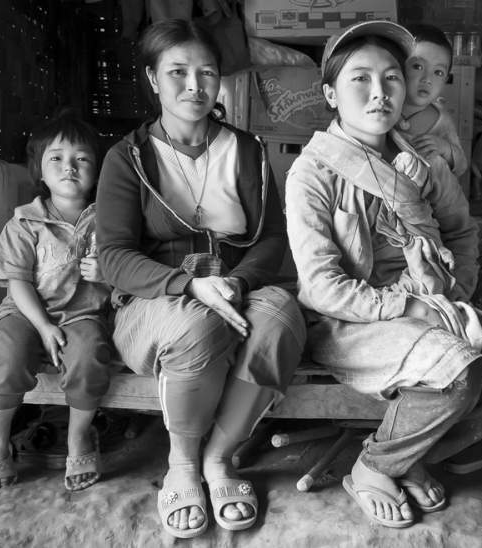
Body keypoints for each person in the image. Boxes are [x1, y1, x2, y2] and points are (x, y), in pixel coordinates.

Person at [284, 21, 482, 529]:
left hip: (435, 305)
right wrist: (409, 305)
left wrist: (454, 289)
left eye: (392, 79)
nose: (379, 93)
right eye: (360, 79)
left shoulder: (423, 162)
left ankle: (408, 457)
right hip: (353, 320)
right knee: (459, 372)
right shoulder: (313, 172)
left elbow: (463, 234)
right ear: (330, 93)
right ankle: (373, 468)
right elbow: (320, 287)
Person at [95, 19, 305, 539]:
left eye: (207, 72)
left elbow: (273, 239)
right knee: (198, 325)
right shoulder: (128, 159)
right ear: (152, 79)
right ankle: (182, 462)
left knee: (280, 320)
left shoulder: (249, 152)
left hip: (239, 287)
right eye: (178, 72)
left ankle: (218, 457)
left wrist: (238, 282)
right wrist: (189, 285)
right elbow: (113, 257)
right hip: (156, 298)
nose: (194, 85)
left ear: (220, 81)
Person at [0, 113, 111, 492]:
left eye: (82, 159)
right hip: (25, 313)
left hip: (82, 314)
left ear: (97, 169)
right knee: (8, 356)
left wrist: (107, 272)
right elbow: (16, 282)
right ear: (38, 168)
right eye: (56, 158)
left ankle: (78, 438)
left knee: (89, 355)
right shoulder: (24, 223)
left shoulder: (109, 221)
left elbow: (127, 268)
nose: (69, 167)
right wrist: (43, 326)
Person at [396, 24, 467, 178]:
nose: (427, 79)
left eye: (438, 72)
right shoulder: (384, 107)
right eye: (417, 66)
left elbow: (461, 166)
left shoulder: (442, 121)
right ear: (398, 67)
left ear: (446, 80)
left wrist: (445, 149)